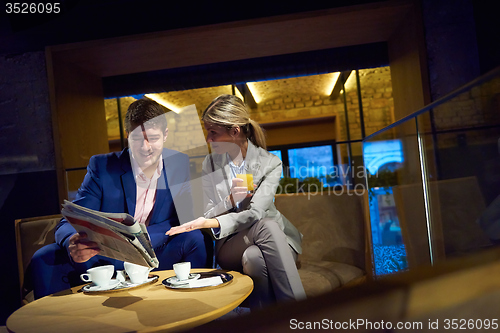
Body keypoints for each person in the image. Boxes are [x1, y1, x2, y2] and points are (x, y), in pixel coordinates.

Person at [29, 98, 207, 299]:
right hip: (108, 255)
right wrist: (72, 242)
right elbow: (67, 223)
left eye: (153, 138)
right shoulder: (102, 167)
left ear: (165, 136)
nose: (146, 147)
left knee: (194, 239)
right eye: (138, 138)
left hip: (157, 252)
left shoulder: (179, 164)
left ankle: (194, 306)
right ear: (127, 135)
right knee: (43, 258)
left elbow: (187, 219)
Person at [167, 94, 306, 308]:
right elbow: (208, 211)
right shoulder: (210, 164)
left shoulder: (270, 163)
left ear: (235, 131)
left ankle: (268, 323)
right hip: (230, 243)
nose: (208, 140)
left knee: (254, 258)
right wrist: (230, 200)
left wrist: (211, 222)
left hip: (277, 240)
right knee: (265, 227)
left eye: (213, 132)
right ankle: (302, 315)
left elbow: (256, 213)